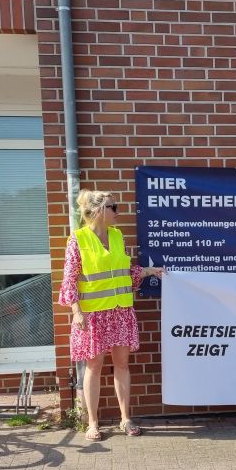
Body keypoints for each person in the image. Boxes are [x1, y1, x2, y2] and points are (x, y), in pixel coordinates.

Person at [58, 189, 164, 442]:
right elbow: (69, 280)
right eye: (113, 207)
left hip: (120, 312)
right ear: (98, 211)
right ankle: (92, 423)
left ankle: (125, 419)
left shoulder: (117, 236)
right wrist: (76, 311)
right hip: (93, 315)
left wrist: (150, 271)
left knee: (122, 365)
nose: (117, 212)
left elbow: (126, 270)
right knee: (93, 367)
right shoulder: (78, 240)